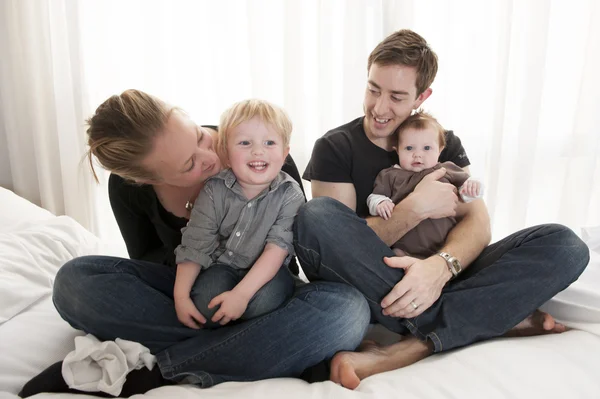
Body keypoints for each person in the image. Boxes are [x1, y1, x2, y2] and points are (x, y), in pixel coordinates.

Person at [19, 90, 370, 398]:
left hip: (265, 292)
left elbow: (286, 252)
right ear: (144, 179)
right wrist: (201, 237)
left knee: (348, 310)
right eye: (189, 164)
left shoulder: (255, 147)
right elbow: (154, 265)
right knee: (73, 282)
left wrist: (242, 295)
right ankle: (270, 349)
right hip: (192, 296)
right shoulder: (129, 191)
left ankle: (160, 370)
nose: (211, 155)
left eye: (201, 137)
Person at [295, 29, 589, 389]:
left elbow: (478, 224)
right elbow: (333, 242)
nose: (379, 107)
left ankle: (414, 345)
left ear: (422, 96)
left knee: (564, 244)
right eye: (373, 89)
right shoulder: (334, 147)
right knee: (316, 215)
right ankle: (488, 316)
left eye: (397, 96)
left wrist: (439, 268)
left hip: (442, 272)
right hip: (379, 278)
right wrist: (414, 209)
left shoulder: (440, 142)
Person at [174, 99, 303, 329]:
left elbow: (277, 249)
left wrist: (241, 295)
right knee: (205, 305)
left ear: (285, 154)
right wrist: (180, 297)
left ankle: (241, 332)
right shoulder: (214, 189)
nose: (258, 151)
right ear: (225, 151)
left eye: (269, 142)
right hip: (222, 266)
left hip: (270, 272)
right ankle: (234, 333)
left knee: (263, 303)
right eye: (244, 142)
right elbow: (196, 242)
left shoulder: (290, 194)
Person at [366, 110, 482, 258]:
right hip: (403, 250)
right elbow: (374, 197)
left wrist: (472, 187)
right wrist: (380, 203)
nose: (418, 154)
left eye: (427, 148)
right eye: (409, 148)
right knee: (391, 258)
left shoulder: (445, 169)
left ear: (440, 150)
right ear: (397, 151)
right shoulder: (390, 175)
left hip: (443, 250)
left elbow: (465, 195)